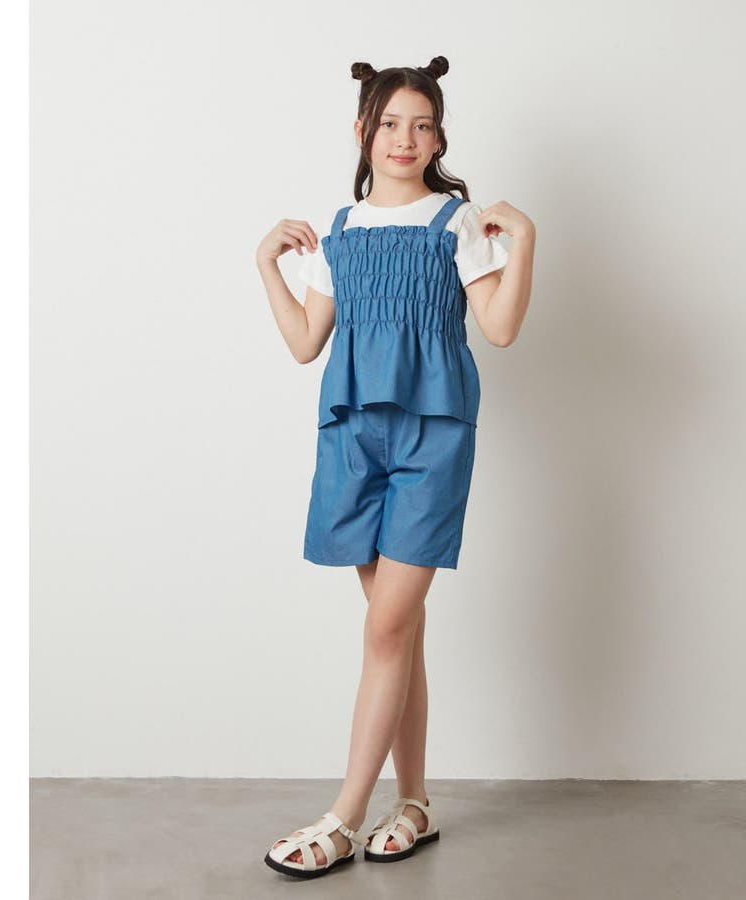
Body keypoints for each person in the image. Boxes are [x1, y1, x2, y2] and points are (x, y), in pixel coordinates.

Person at [255, 55, 536, 879]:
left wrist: (525, 243)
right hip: (352, 442)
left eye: (422, 125)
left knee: (384, 629)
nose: (404, 139)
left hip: (430, 441)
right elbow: (306, 343)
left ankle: (343, 817)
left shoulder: (457, 222)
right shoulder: (338, 231)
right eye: (389, 124)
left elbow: (501, 328)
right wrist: (266, 265)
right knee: (398, 631)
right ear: (362, 131)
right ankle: (413, 802)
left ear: (439, 138)